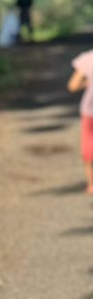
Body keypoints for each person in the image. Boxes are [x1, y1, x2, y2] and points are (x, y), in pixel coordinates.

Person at [68, 46, 93, 195]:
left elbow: (72, 86)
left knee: (89, 146)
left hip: (89, 111)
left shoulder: (88, 59)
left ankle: (91, 184)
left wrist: (87, 84)